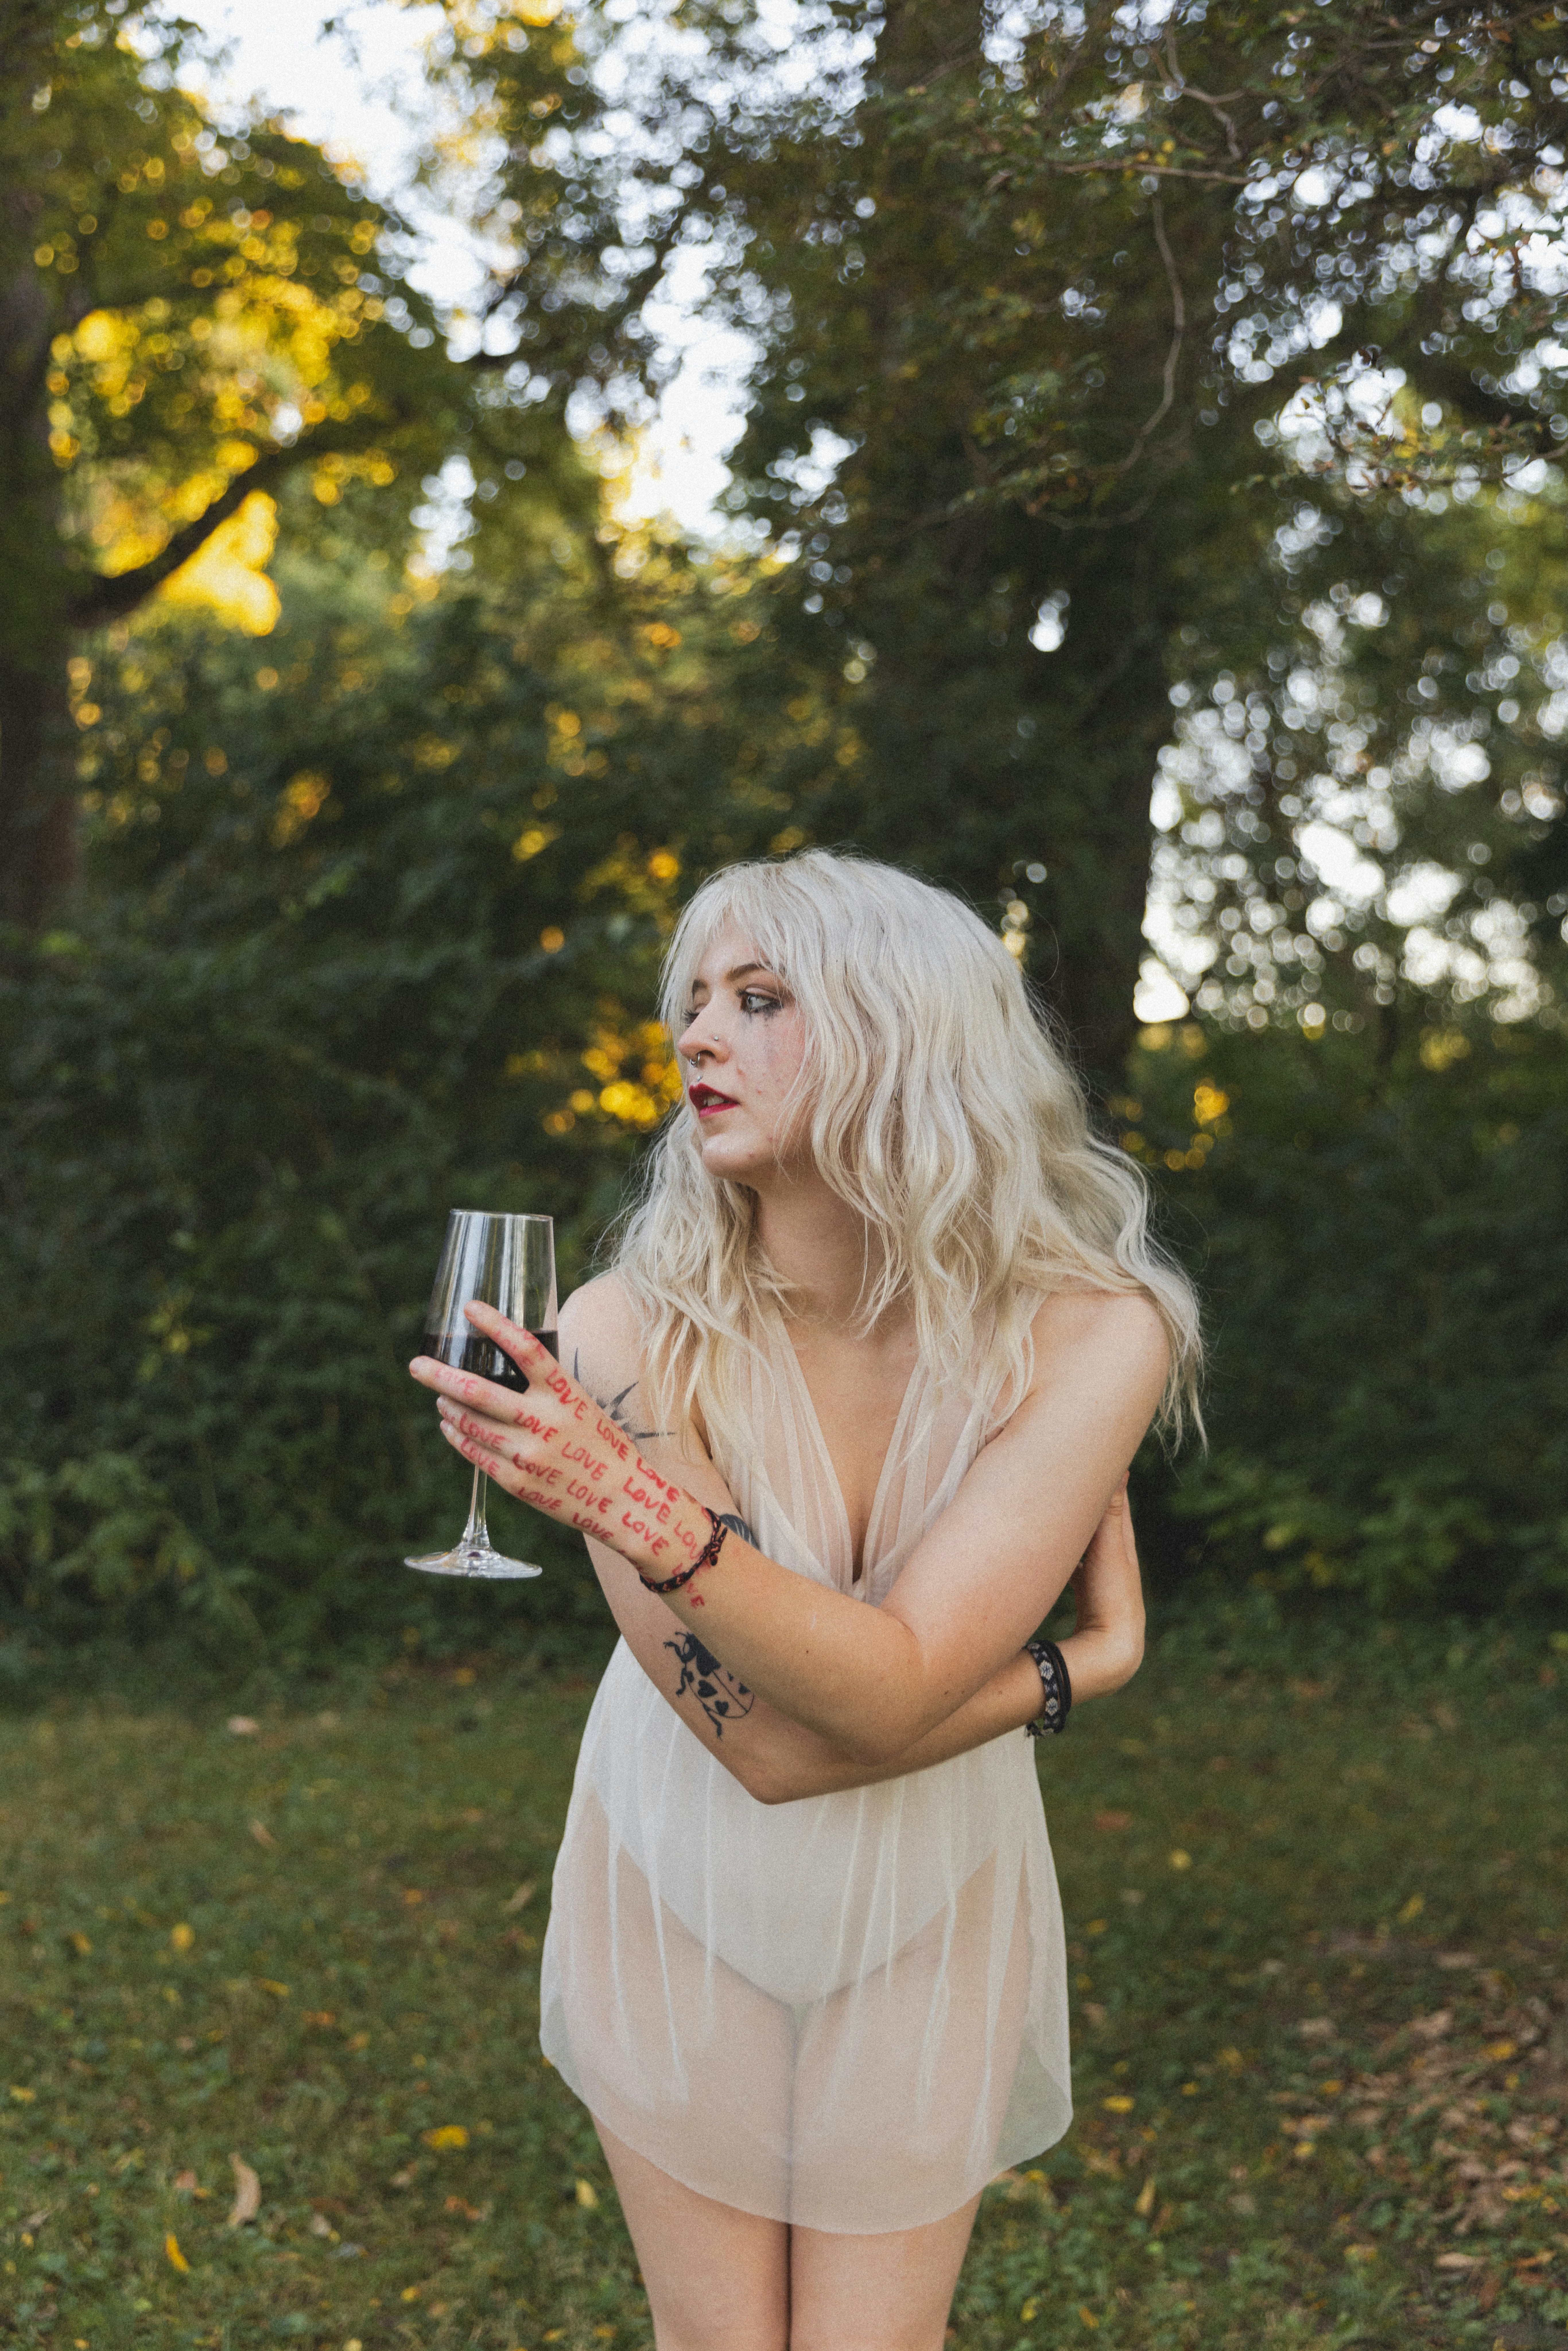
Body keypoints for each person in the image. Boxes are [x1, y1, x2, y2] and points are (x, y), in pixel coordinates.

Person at [410, 851, 1200, 2351]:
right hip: (672, 1875)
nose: (696, 1036)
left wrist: (625, 1503)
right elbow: (768, 1752)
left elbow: (892, 1689)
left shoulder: (1096, 1333)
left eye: (760, 999)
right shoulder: (624, 1327)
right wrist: (1076, 1670)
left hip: (933, 1887)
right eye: (696, 1002)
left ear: (910, 1033)